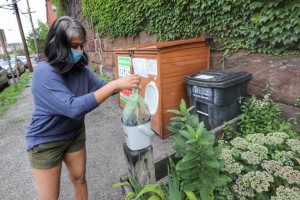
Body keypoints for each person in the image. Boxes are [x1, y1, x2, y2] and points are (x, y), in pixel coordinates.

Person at [26, 16, 141, 200]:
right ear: (59, 45)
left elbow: (104, 87)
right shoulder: (44, 72)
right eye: (74, 46)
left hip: (74, 132)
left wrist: (128, 83)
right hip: (46, 140)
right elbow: (72, 107)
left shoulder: (81, 71)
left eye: (81, 45)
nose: (79, 51)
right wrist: (115, 85)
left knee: (79, 178)